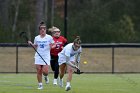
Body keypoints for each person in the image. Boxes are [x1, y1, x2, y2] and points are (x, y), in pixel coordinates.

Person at [28, 22, 56, 89]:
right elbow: (35, 46)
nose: (43, 30)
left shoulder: (49, 37)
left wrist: (52, 47)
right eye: (41, 29)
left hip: (46, 56)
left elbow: (54, 44)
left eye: (44, 28)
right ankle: (40, 85)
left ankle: (46, 76)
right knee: (39, 70)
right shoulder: (36, 38)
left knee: (45, 72)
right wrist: (31, 44)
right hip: (38, 56)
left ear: (45, 30)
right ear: (39, 30)